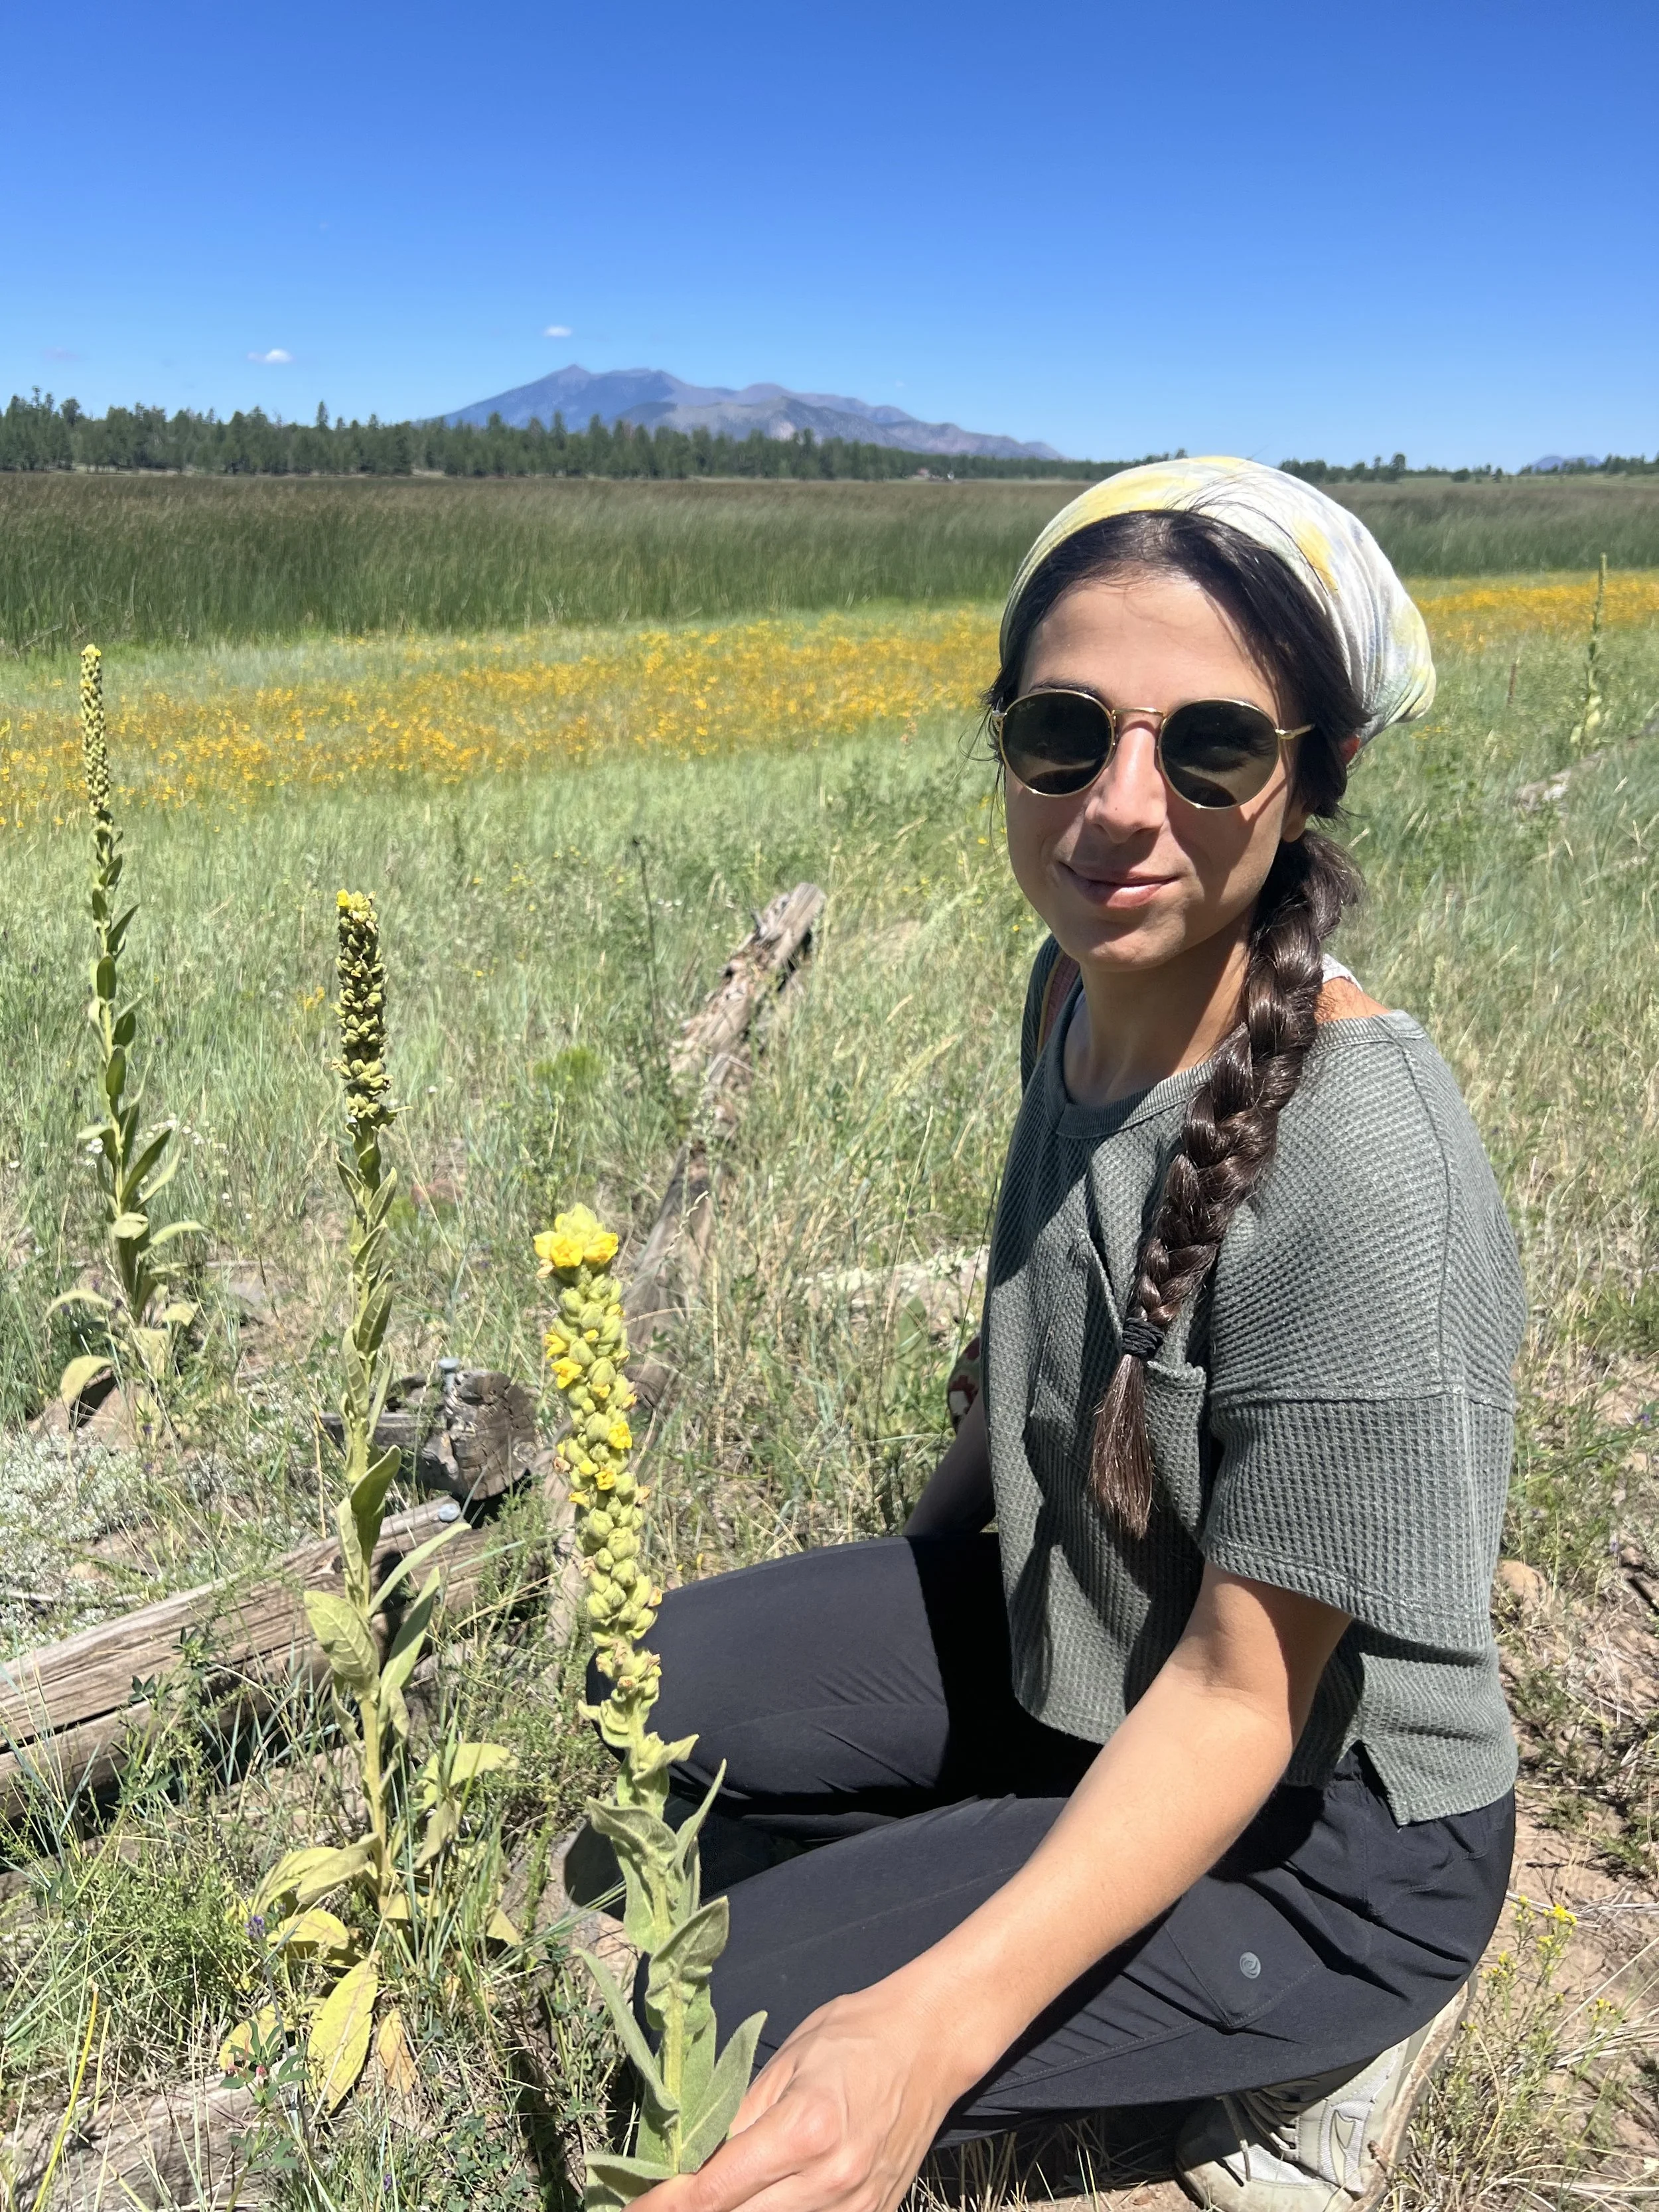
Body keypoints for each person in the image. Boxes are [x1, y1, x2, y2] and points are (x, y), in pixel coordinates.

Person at [613, 459, 1524, 2212]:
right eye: (1062, 730)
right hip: (1085, 1654)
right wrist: (902, 1634)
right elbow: (1032, 1337)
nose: (1120, 805)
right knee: (642, 1693)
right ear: (1005, 745)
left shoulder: (1367, 1159)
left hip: (1321, 1831)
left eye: (1208, 747)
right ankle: (999, 1837)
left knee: (713, 2020)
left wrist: (927, 2023)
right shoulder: (1071, 987)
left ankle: (1298, 2089)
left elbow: (1244, 1694)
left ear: (1307, 777)